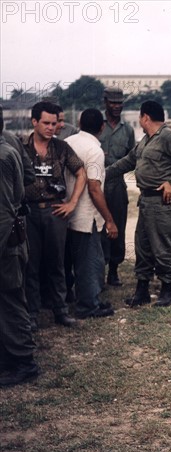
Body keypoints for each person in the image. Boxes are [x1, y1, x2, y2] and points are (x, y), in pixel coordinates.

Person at [106, 100, 171, 307]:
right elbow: (128, 161)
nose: (140, 120)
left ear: (145, 117)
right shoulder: (146, 140)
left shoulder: (166, 137)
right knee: (143, 246)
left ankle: (167, 290)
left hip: (164, 203)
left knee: (163, 246)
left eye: (140, 117)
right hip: (147, 201)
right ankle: (142, 290)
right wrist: (102, 174)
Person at [23, 101, 86, 330]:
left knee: (57, 263)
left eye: (55, 123)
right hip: (28, 212)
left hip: (54, 212)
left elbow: (81, 172)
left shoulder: (61, 148)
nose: (51, 127)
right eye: (46, 123)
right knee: (30, 264)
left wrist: (72, 203)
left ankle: (60, 310)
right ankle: (31, 313)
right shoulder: (21, 147)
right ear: (34, 122)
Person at [64, 109, 118, 319]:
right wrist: (110, 220)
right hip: (85, 216)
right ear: (102, 127)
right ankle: (88, 306)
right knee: (88, 263)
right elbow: (94, 188)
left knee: (68, 261)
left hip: (66, 212)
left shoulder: (67, 141)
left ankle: (73, 299)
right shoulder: (94, 151)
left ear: (79, 122)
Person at [0, 107, 38, 387]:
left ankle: (23, 361)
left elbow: (3, 209)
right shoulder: (8, 145)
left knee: (11, 301)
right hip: (10, 238)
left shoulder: (2, 155)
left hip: (6, 242)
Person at [99, 87, 136, 287]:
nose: (116, 106)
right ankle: (98, 270)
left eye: (119, 103)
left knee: (118, 228)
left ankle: (113, 271)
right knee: (97, 227)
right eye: (112, 102)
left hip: (116, 185)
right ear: (105, 102)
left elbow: (133, 158)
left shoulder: (128, 130)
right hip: (95, 183)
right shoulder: (97, 125)